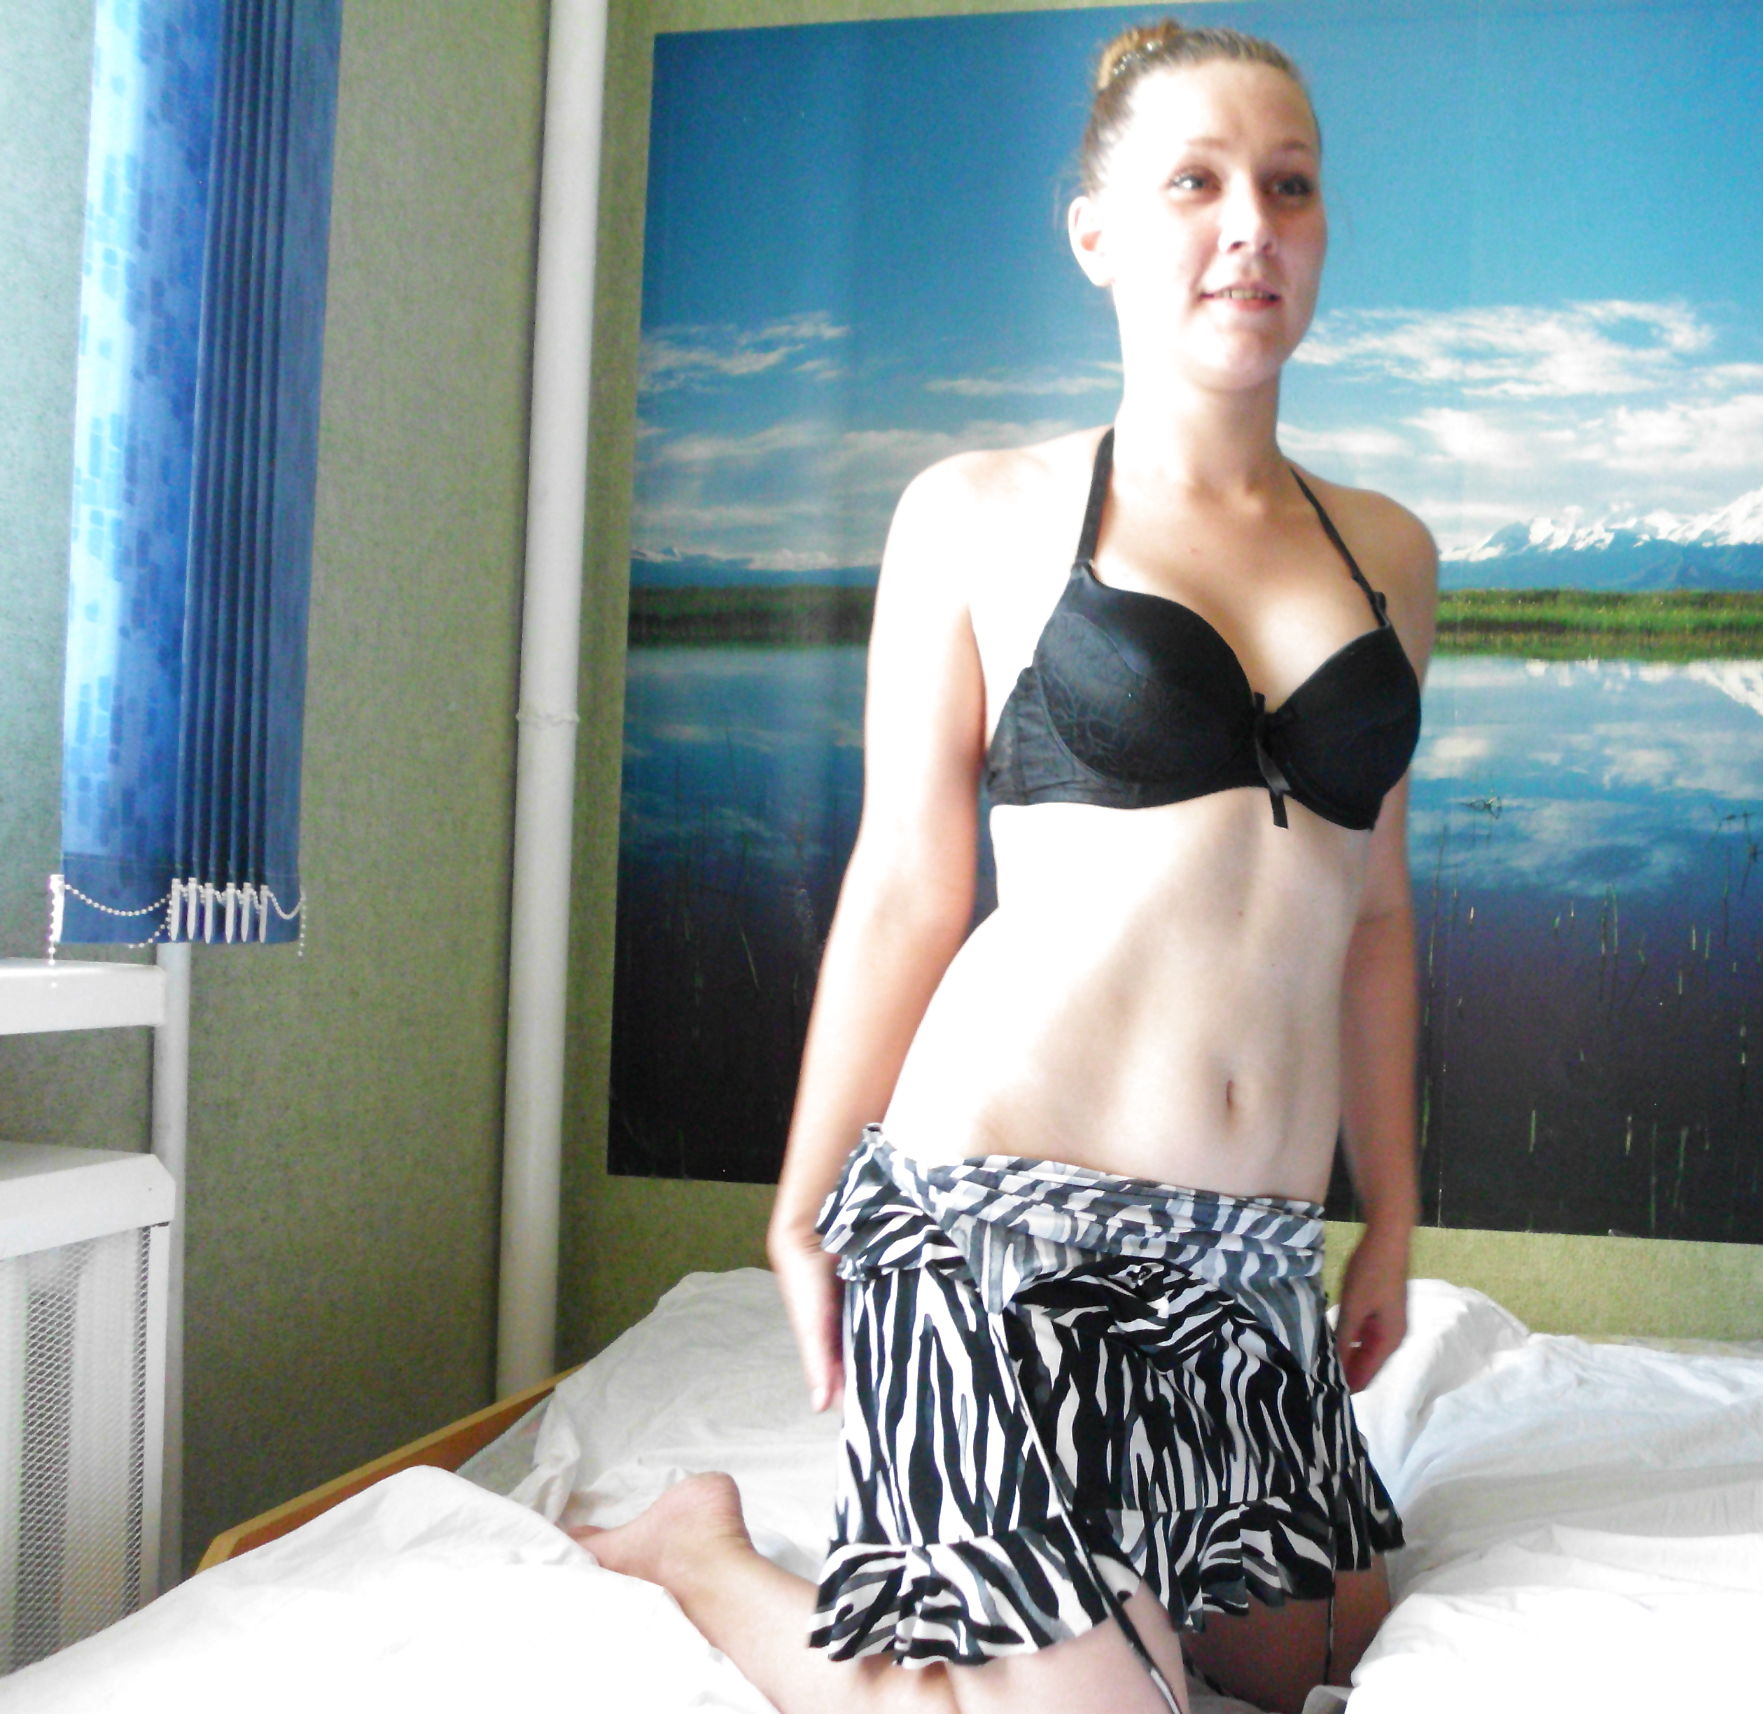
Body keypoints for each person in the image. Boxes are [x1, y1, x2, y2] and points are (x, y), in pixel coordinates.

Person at [582, 20, 1437, 1714]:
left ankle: (1081, 1575)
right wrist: (799, 1201)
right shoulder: (976, 511)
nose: (1249, 226)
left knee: (1309, 1660)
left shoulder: (1388, 552)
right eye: (1194, 183)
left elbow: (1373, 916)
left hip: (1245, 1260)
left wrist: (1392, 1215)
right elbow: (908, 886)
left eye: (1287, 186)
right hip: (999, 1226)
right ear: (1095, 234)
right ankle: (701, 1551)